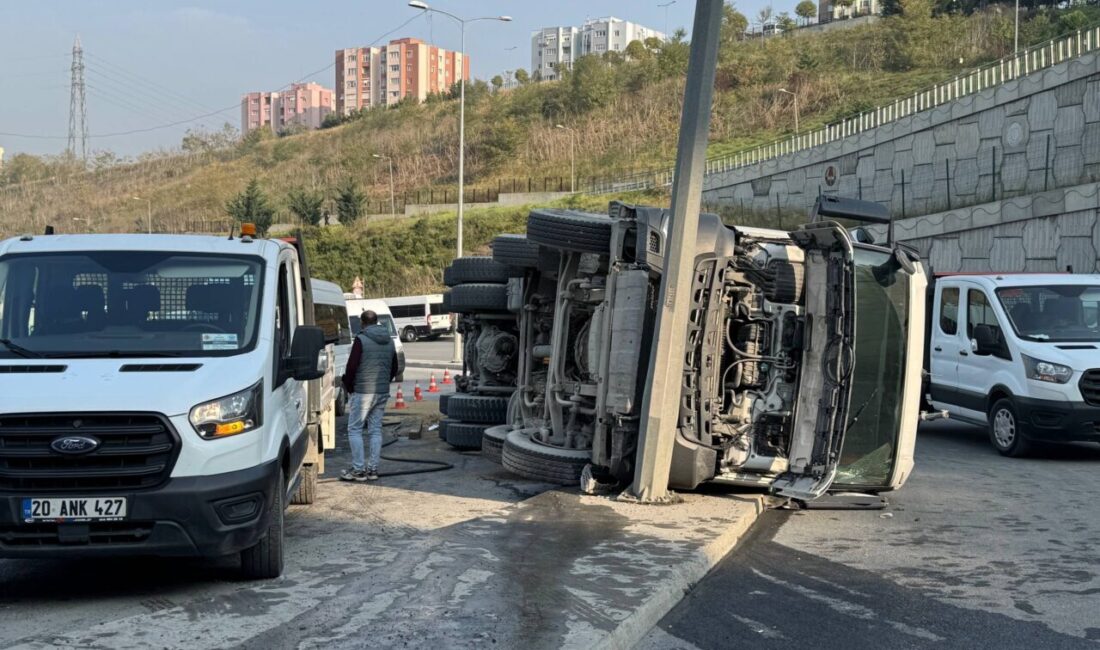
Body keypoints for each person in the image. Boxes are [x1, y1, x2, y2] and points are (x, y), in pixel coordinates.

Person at [340, 310, 398, 482]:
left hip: (363, 392)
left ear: (363, 322)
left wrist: (349, 386)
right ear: (377, 321)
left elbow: (351, 367)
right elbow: (394, 367)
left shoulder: (361, 339)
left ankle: (358, 470)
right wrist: (384, 382)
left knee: (355, 429)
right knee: (375, 430)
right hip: (381, 392)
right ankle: (372, 469)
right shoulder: (389, 340)